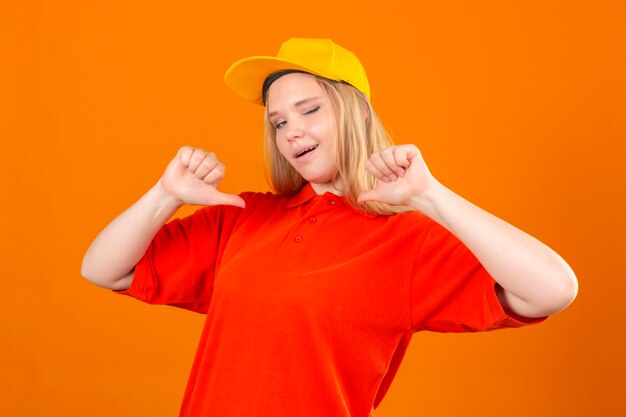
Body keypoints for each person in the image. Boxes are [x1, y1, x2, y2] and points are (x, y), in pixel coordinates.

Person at [81, 38, 578, 417]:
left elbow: (552, 289)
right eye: (278, 122)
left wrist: (432, 197)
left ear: (356, 110)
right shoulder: (244, 217)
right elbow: (103, 269)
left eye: (310, 109)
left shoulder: (407, 242)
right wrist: (165, 194)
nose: (291, 130)